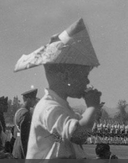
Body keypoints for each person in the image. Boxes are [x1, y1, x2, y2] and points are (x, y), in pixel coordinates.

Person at [14, 18, 102, 159]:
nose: (87, 81)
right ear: (66, 77)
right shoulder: (49, 107)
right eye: (84, 76)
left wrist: (93, 112)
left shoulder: (60, 106)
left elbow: (82, 136)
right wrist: (92, 107)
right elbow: (78, 135)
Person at [12, 89, 38, 159]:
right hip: (22, 152)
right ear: (29, 99)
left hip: (16, 149)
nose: (35, 101)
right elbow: (25, 138)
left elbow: (16, 133)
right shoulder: (26, 114)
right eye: (34, 99)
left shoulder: (18, 112)